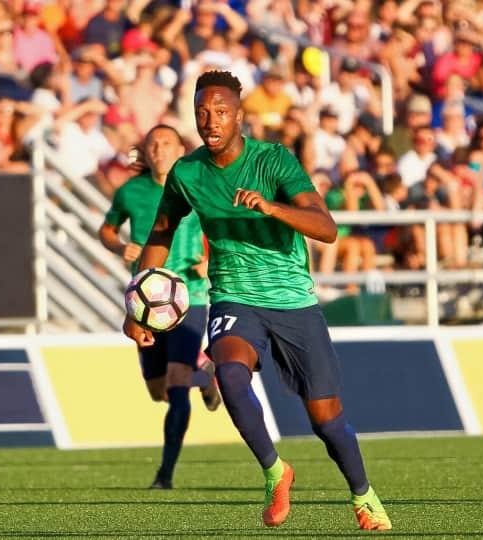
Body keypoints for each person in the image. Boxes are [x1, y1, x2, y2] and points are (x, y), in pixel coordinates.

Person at [123, 71, 391, 531]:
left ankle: (363, 496)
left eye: (221, 112)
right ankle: (274, 470)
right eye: (203, 112)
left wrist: (272, 208)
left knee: (327, 422)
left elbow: (324, 228)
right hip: (233, 297)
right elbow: (160, 235)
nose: (212, 120)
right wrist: (135, 305)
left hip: (293, 302)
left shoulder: (273, 161)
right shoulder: (188, 173)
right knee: (228, 375)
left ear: (239, 116)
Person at [99, 124, 221, 490]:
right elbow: (107, 229)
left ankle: (164, 474)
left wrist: (209, 257)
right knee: (158, 391)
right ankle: (207, 370)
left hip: (189, 295)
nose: (159, 149)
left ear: (181, 149)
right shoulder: (131, 191)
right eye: (152, 144)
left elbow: (224, 225)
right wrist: (120, 247)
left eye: (166, 143)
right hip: (145, 301)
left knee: (177, 386)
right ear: (145, 152)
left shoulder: (199, 184)